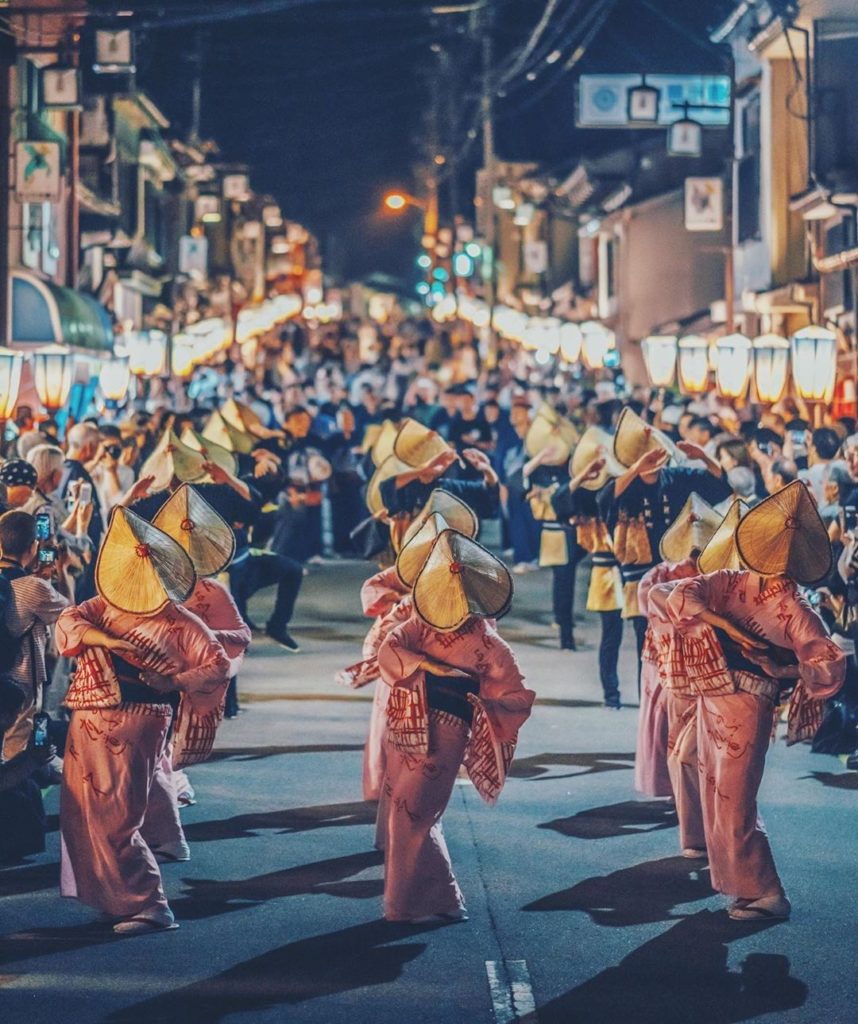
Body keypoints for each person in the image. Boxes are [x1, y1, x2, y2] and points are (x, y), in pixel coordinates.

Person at [649, 481, 845, 921]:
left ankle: (768, 893)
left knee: (734, 799)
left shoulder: (787, 603)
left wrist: (780, 670)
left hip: (747, 702)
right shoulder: (736, 583)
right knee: (714, 785)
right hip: (717, 693)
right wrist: (734, 631)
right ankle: (736, 880)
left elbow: (826, 663)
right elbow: (670, 595)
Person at [55, 506, 230, 934]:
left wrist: (172, 680)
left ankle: (150, 905)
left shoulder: (181, 620)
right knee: (82, 813)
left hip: (138, 720)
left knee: (118, 814)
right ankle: (115, 897)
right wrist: (106, 638)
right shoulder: (105, 606)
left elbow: (219, 665)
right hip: (90, 714)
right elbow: (68, 621)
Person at [377, 529, 533, 922]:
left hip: (446, 732)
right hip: (407, 721)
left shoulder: (490, 644)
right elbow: (389, 648)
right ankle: (435, 902)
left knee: (417, 814)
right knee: (403, 814)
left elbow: (518, 698)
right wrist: (431, 666)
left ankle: (421, 903)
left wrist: (479, 703)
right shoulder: (420, 622)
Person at [600, 407, 732, 685]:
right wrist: (636, 468)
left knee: (679, 637)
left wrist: (705, 457)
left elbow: (720, 486)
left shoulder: (678, 478)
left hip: (675, 571)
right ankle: (647, 696)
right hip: (640, 576)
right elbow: (605, 500)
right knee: (645, 640)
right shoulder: (628, 485)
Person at [634, 493, 721, 805]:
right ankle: (676, 787)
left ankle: (689, 788)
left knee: (688, 727)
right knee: (667, 724)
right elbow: (647, 603)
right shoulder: (662, 574)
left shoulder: (711, 575)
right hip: (666, 658)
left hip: (695, 660)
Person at [0, 510, 69, 763]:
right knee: (15, 746)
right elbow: (70, 612)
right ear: (32, 547)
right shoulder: (34, 587)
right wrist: (62, 571)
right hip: (20, 677)